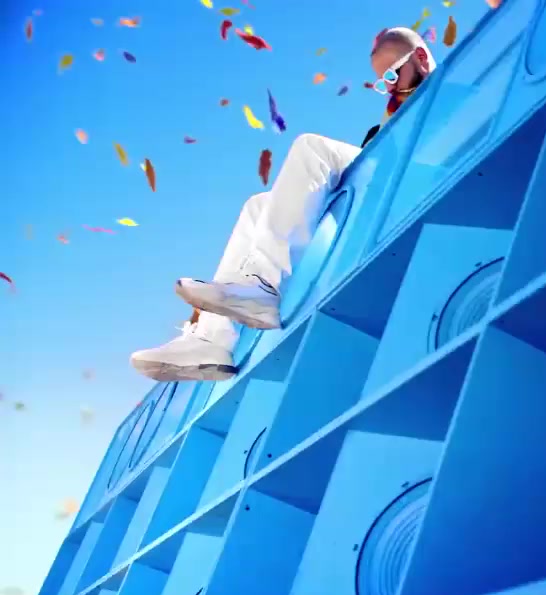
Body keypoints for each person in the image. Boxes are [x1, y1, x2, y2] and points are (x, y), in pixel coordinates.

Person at [130, 27, 437, 382]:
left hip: (410, 172)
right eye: (381, 82)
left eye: (391, 75)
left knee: (312, 148)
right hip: (377, 180)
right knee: (258, 205)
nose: (388, 87)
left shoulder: (449, 86)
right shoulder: (392, 112)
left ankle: (265, 285)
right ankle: (212, 340)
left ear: (420, 57)